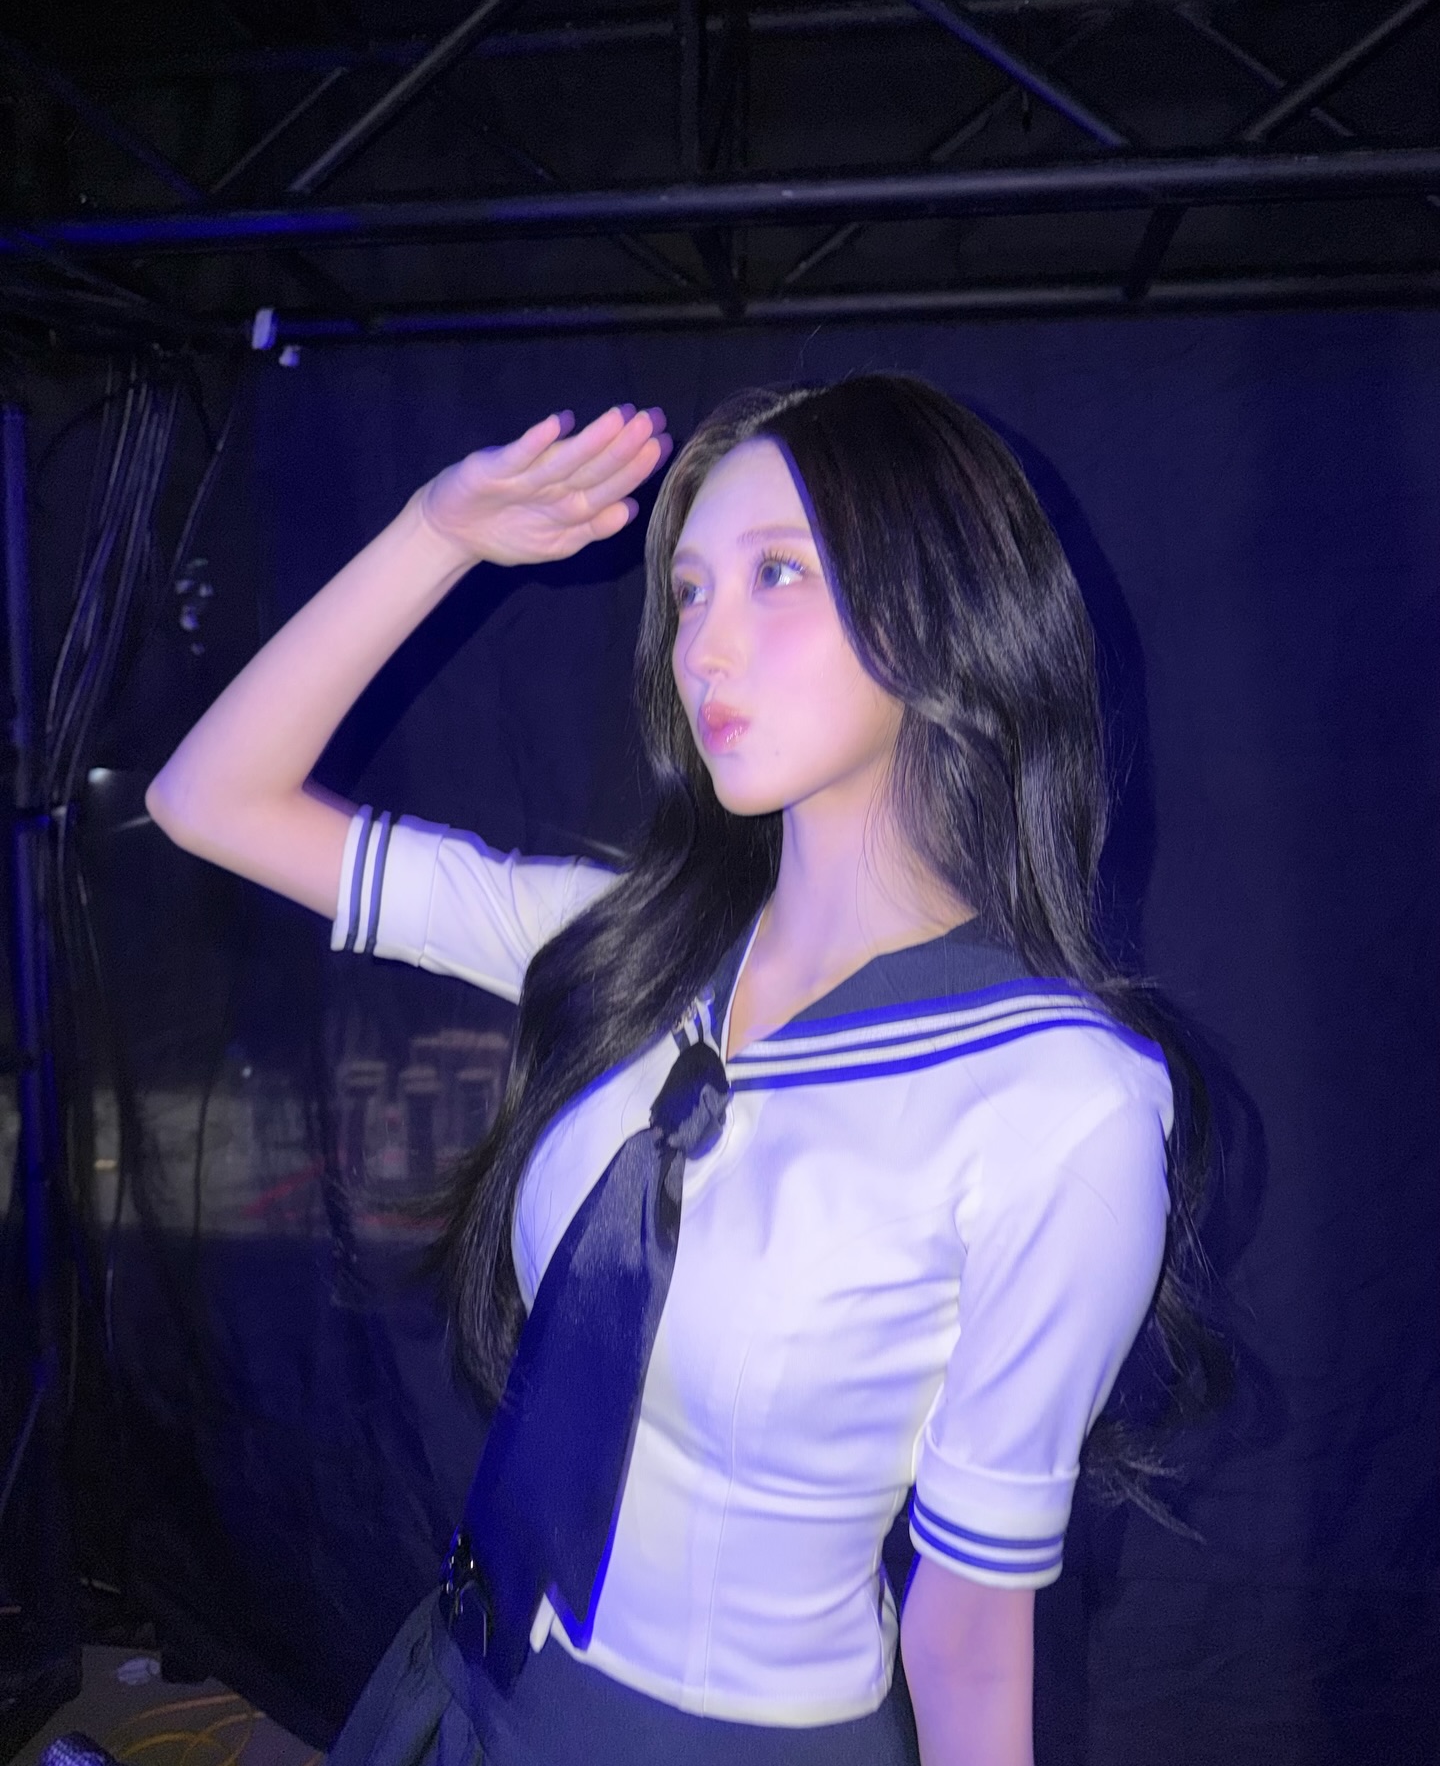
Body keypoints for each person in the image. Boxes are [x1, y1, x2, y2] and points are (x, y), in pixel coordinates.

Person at [146, 375, 1209, 1766]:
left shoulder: (1058, 1103)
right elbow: (206, 800)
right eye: (690, 590)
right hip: (465, 1684)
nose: (704, 642)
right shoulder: (621, 947)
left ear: (939, 600)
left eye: (778, 573)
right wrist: (436, 533)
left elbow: (967, 1632)